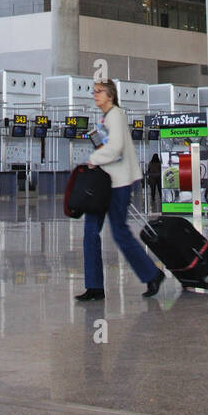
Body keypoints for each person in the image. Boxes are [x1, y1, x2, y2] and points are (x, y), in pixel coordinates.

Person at [76, 80, 163, 302]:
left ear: (111, 96)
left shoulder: (115, 115)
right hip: (104, 183)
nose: (95, 95)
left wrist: (93, 159)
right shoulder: (106, 118)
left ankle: (152, 274)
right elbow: (110, 147)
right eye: (94, 91)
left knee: (119, 231)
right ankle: (94, 285)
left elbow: (115, 148)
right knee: (90, 232)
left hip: (118, 184)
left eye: (100, 92)